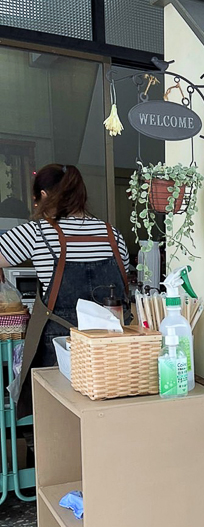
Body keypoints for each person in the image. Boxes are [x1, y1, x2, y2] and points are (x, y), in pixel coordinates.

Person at [0, 164, 129, 417]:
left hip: (61, 344)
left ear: (44, 196)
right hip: (111, 344)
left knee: (60, 419)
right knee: (105, 415)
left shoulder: (37, 232)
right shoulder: (111, 234)